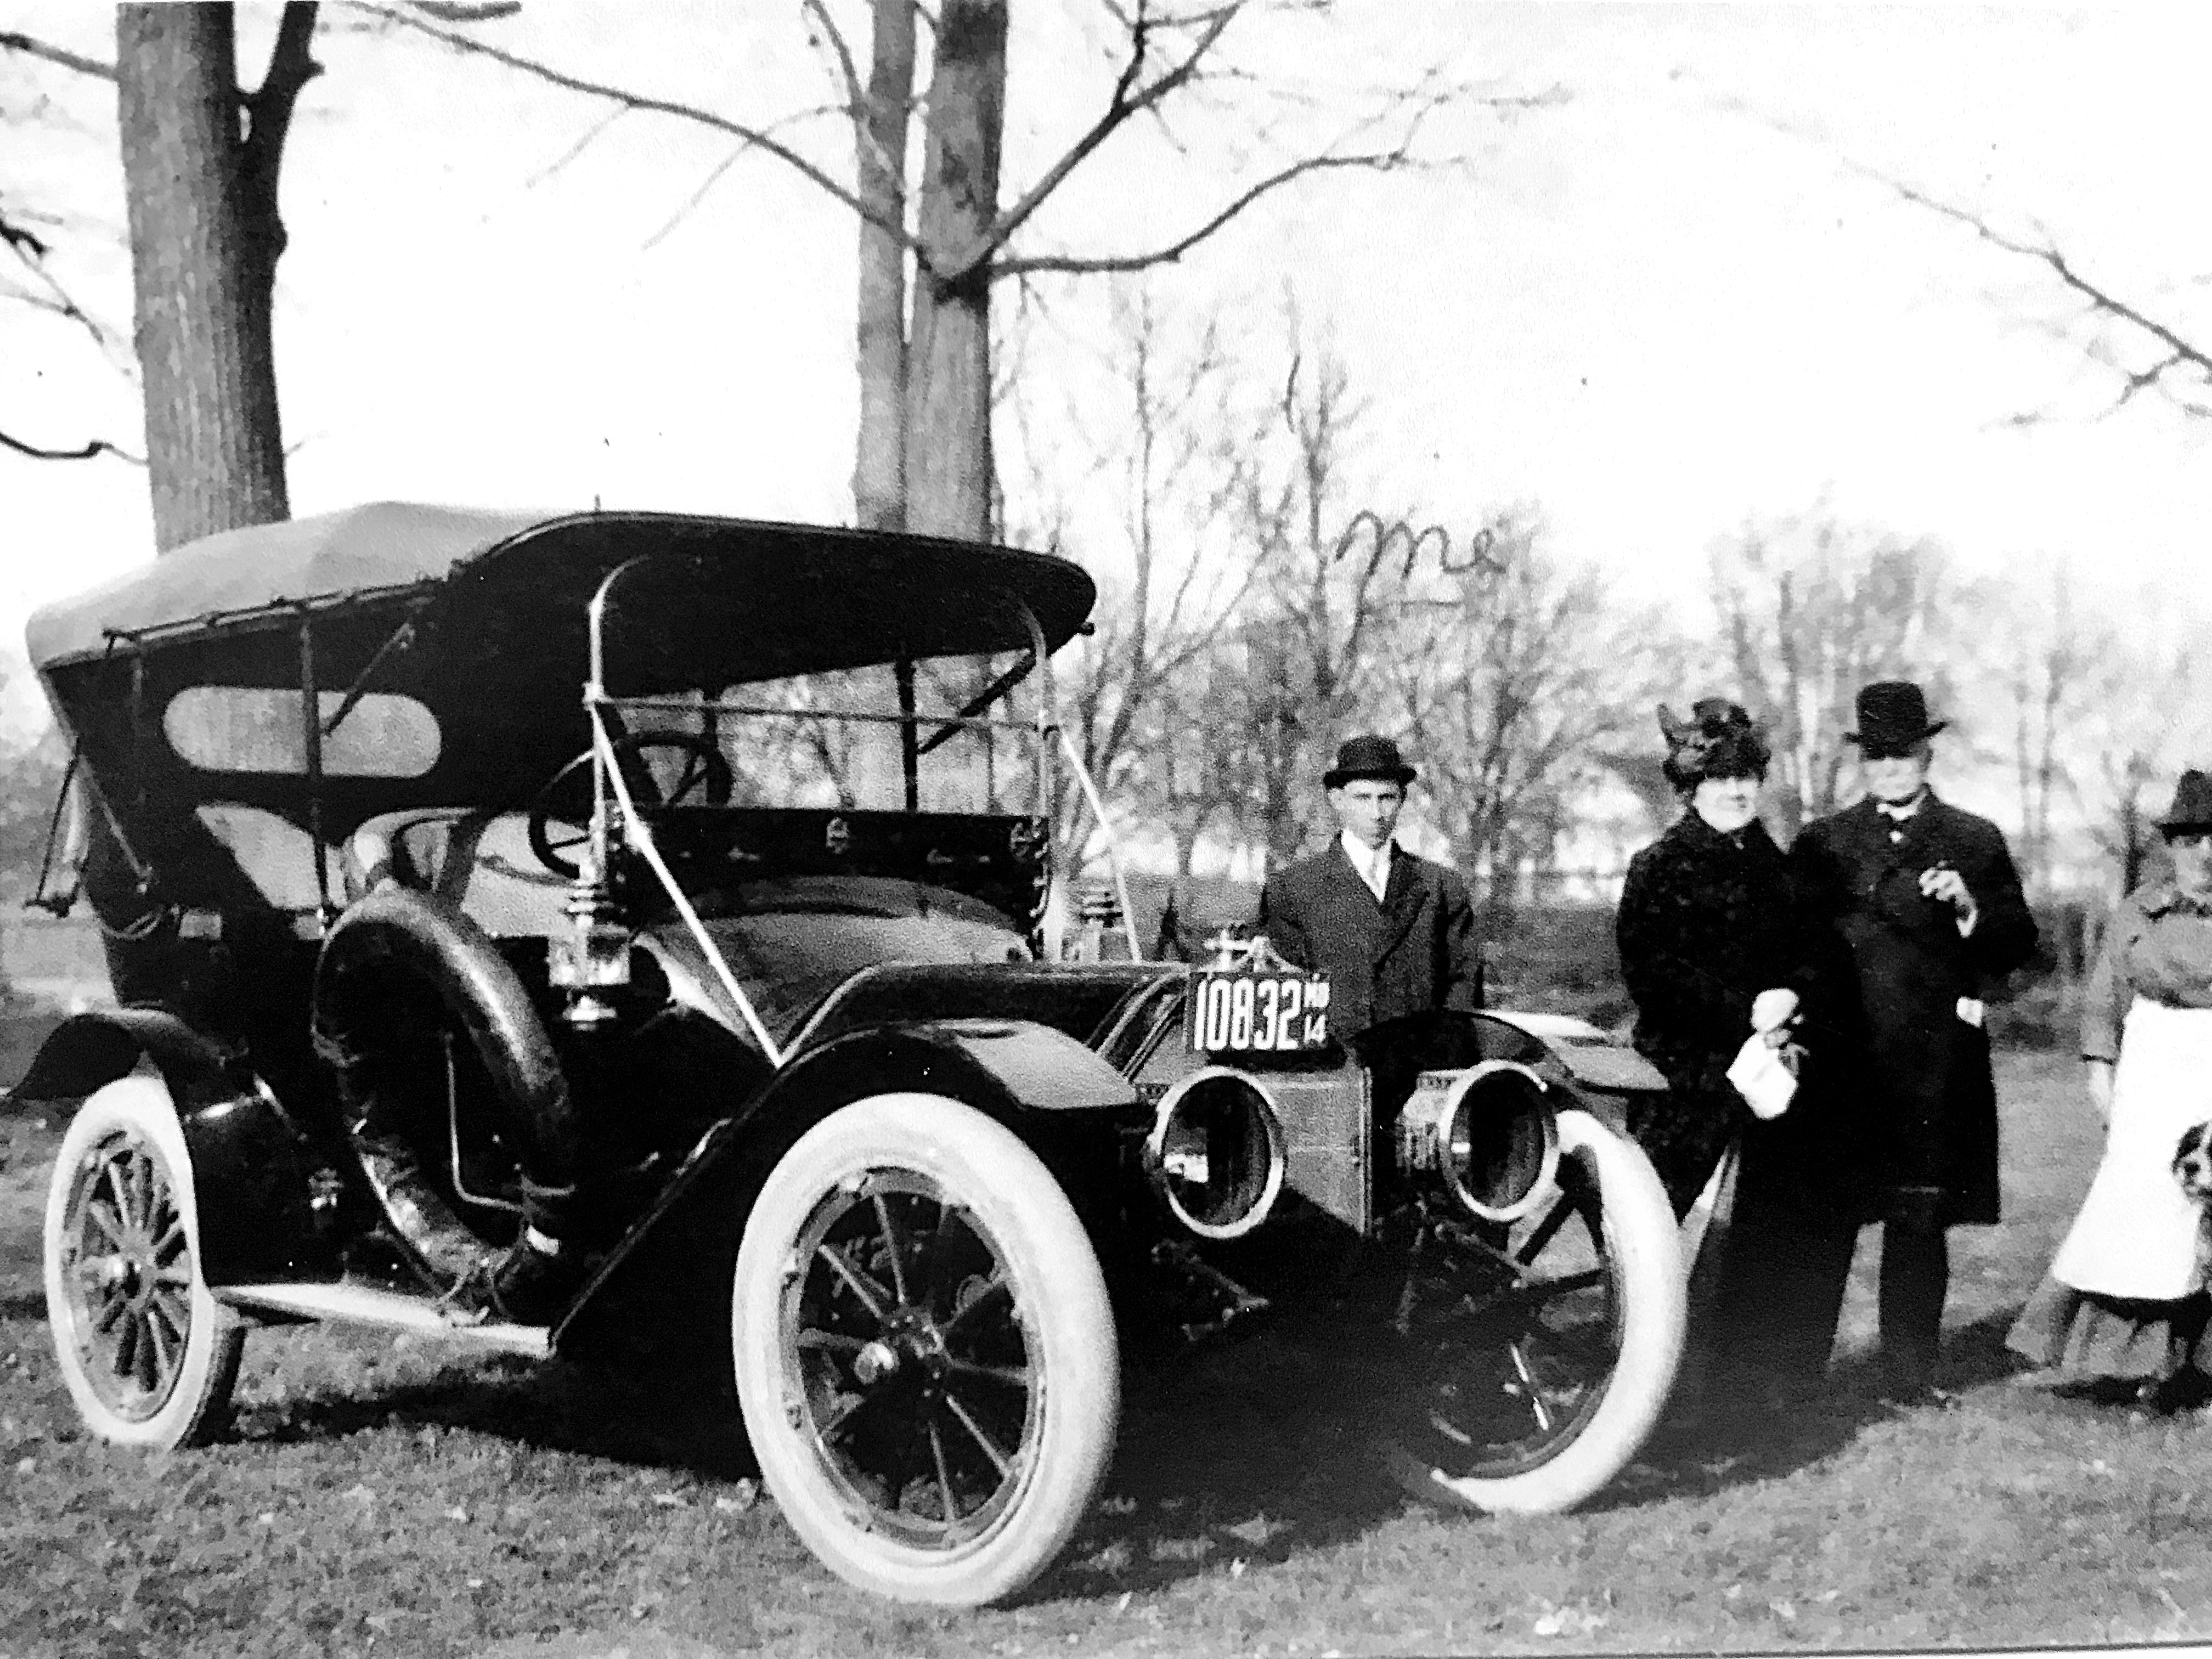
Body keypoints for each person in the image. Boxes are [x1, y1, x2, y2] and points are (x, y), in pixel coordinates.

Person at [1793, 680, 2038, 1403]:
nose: (1891, 767)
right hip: (1845, 1062)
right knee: (1827, 1218)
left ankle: (1909, 1375)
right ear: (1863, 761)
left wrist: (1968, 908)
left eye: (1903, 753)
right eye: (1878, 756)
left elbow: (2016, 946)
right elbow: (1796, 946)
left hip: (1934, 1065)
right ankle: (1805, 1376)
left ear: (1927, 753)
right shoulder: (1825, 843)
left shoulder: (1974, 839)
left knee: (1919, 1219)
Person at [1614, 699, 1864, 1398]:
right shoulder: (1658, 867)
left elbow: (1821, 957)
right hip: (1688, 1088)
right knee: (1673, 1251)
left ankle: (1754, 1396)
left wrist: (1791, 996)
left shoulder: (1783, 872)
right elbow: (1652, 973)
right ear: (1691, 787)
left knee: (1770, 1245)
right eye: (1720, 778)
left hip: (1774, 1091)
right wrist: (1740, 1015)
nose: (1736, 790)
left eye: (1747, 776)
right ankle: (1651, 1396)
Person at [2007, 769, 2212, 1409]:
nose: (2204, 854)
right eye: (2189, 839)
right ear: (2171, 846)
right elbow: (2103, 1001)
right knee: (2143, 1212)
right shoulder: (2138, 912)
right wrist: (2102, 1074)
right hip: (2151, 1075)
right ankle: (2144, 1366)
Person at [1255, 735, 1481, 1040]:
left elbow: (1464, 987)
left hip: (1421, 1070)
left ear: (1402, 799)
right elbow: (1280, 995)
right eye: (1363, 798)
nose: (1376, 813)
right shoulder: (1292, 890)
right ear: (1337, 800)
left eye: (1386, 798)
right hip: (1334, 1072)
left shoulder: (1441, 889)